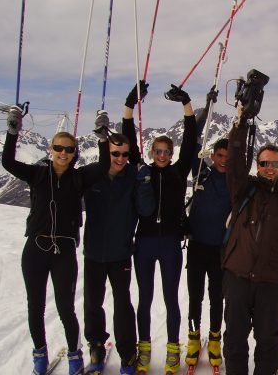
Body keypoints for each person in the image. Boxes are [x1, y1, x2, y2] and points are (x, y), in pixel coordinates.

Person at [2, 105, 111, 375]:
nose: (63, 153)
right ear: (51, 150)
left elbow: (105, 165)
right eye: (59, 148)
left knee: (65, 308)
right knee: (35, 306)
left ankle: (74, 354)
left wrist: (102, 137)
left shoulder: (78, 178)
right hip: (35, 247)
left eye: (69, 149)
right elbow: (7, 162)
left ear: (74, 153)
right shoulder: (37, 174)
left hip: (63, 248)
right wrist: (12, 132)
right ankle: (39, 353)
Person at [222, 108, 278, 375]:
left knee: (268, 341)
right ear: (257, 166)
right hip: (237, 276)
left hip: (272, 281)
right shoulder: (244, 189)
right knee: (235, 339)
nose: (268, 169)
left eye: (274, 164)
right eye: (263, 164)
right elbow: (235, 162)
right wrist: (240, 122)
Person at [82, 85, 155, 374]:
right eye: (116, 153)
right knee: (93, 303)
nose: (121, 158)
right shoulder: (93, 177)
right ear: (107, 152)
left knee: (123, 304)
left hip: (121, 253)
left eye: (125, 154)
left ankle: (127, 352)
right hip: (94, 253)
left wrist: (144, 182)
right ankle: (96, 344)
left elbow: (146, 211)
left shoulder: (132, 178)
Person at [129, 83, 198, 374]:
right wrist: (130, 105)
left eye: (166, 151)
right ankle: (143, 349)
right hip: (144, 242)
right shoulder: (142, 170)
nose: (161, 154)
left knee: (171, 298)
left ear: (171, 152)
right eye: (157, 150)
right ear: (151, 151)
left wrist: (187, 104)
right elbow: (128, 141)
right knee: (144, 298)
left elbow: (192, 138)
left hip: (170, 242)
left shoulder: (178, 171)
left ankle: (173, 350)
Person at [184, 87, 231, 370]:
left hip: (221, 249)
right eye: (220, 154)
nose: (224, 159)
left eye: (228, 155)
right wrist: (204, 109)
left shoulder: (237, 179)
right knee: (194, 294)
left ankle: (215, 338)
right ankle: (193, 337)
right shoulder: (200, 170)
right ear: (212, 155)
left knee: (217, 296)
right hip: (198, 246)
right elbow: (191, 142)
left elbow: (243, 148)